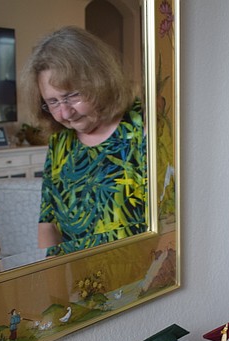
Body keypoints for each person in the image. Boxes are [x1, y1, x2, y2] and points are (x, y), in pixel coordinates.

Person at [20, 26, 147, 256]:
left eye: (72, 96)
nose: (65, 113)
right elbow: (48, 223)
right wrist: (53, 275)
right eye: (53, 102)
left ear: (101, 82)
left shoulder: (143, 126)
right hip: (76, 274)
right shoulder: (60, 142)